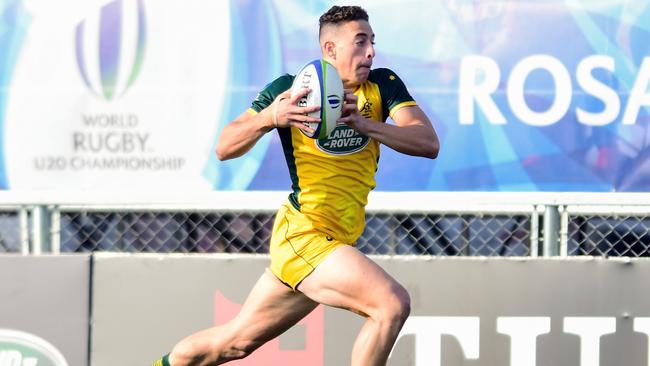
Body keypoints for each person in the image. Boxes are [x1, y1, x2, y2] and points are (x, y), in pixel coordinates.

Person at [152, 5, 439, 366]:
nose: (371, 52)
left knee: (232, 344)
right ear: (330, 50)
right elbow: (224, 147)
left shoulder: (382, 85)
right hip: (304, 236)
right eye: (360, 42)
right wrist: (271, 117)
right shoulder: (291, 90)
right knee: (391, 304)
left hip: (336, 240)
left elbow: (427, 142)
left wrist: (368, 126)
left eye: (372, 42)